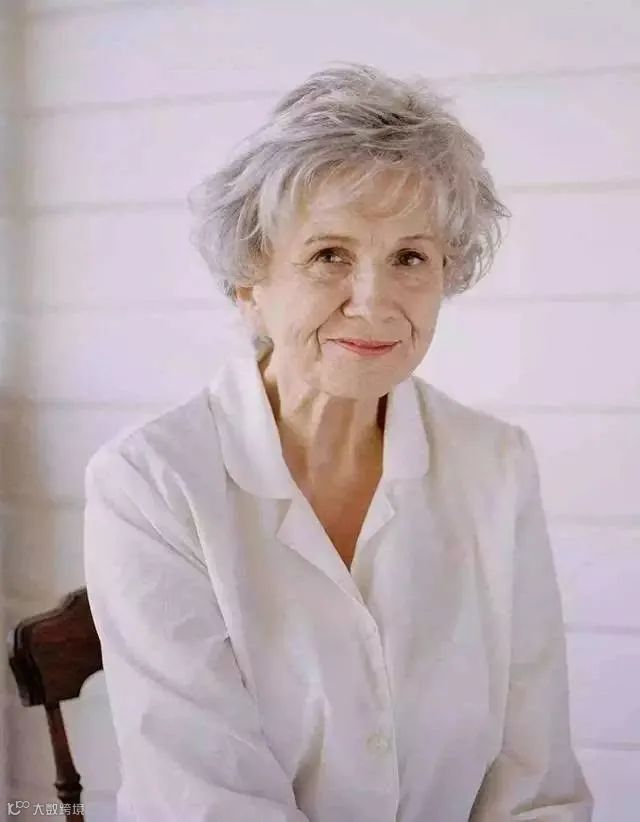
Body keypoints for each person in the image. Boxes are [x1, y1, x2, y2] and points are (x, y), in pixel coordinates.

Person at [83, 62, 593, 821]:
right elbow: (207, 800)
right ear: (249, 282)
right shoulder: (150, 483)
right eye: (329, 256)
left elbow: (535, 780)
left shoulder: (496, 465)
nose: (374, 302)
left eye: (410, 258)